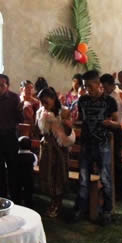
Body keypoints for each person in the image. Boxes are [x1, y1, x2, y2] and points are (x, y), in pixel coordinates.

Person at [73, 70, 120, 225]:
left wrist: (109, 123)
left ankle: (107, 211)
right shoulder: (82, 100)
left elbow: (117, 123)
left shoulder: (109, 101)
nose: (88, 90)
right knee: (83, 179)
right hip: (86, 143)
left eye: (90, 86)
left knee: (105, 178)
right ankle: (81, 209)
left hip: (102, 144)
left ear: (98, 84)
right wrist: (72, 122)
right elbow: (80, 120)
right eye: (85, 86)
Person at [35, 87, 75, 218]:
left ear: (53, 99)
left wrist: (66, 123)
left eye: (46, 101)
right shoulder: (41, 111)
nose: (44, 105)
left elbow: (68, 132)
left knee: (58, 174)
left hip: (59, 148)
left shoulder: (63, 111)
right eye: (42, 102)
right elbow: (38, 130)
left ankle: (58, 202)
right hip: (47, 147)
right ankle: (53, 201)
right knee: (48, 175)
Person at [0, 74, 23, 198]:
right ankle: (1, 194)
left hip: (10, 136)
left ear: (8, 85)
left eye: (2, 85)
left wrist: (20, 111)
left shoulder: (14, 98)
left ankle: (15, 196)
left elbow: (19, 119)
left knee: (12, 167)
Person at [101, 73, 122, 195]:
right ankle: (108, 187)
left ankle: (118, 190)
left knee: (116, 160)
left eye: (105, 87)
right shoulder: (106, 96)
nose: (103, 89)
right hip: (107, 130)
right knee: (107, 160)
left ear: (111, 85)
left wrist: (107, 121)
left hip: (115, 131)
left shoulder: (116, 98)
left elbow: (117, 121)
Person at [12, 136, 38, 207]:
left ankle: (17, 203)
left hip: (17, 178)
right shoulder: (33, 156)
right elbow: (34, 164)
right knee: (28, 193)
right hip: (29, 178)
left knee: (17, 193)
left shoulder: (15, 155)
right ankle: (29, 204)